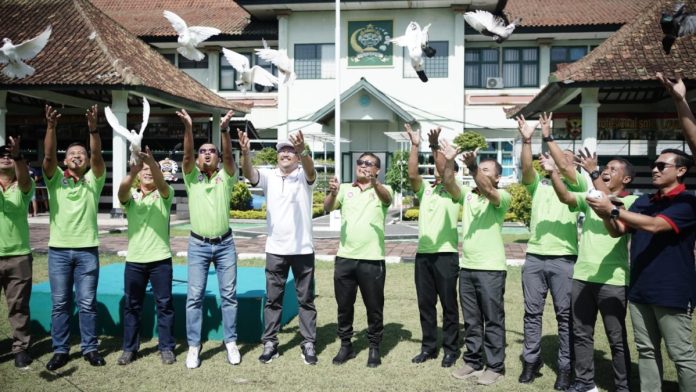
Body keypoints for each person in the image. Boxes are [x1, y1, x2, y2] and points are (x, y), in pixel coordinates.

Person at [588, 72, 696, 391]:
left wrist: (615, 209)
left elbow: (655, 226)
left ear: (681, 171)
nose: (655, 169)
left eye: (663, 166)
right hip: (640, 289)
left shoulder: (688, 202)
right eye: (654, 165)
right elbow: (617, 231)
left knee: (681, 354)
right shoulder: (647, 199)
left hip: (672, 290)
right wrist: (606, 214)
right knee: (647, 352)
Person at [546, 149, 636, 392]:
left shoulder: (630, 202)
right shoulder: (591, 197)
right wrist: (553, 173)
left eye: (613, 169)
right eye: (605, 168)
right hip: (583, 277)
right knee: (582, 335)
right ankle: (585, 384)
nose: (607, 171)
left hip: (613, 280)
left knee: (616, 338)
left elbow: (611, 208)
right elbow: (565, 197)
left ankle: (623, 386)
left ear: (626, 179)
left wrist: (593, 172)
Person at [514, 113, 586, 390]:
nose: (557, 158)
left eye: (564, 157)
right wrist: (527, 140)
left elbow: (567, 172)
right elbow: (526, 169)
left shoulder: (578, 185)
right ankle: (531, 362)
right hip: (534, 258)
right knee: (532, 314)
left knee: (565, 316)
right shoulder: (539, 186)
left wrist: (549, 138)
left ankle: (565, 368)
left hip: (564, 260)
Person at [238, 129, 319, 365]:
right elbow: (249, 173)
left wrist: (303, 150)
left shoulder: (304, 175)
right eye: (282, 150)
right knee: (273, 300)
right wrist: (244, 152)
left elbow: (312, 171)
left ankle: (308, 343)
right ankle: (270, 343)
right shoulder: (268, 176)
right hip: (275, 249)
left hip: (303, 249)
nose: (286, 154)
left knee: (306, 300)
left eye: (290, 150)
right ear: (277, 156)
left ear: (297, 155)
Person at [43, 104, 107, 370]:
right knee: (60, 304)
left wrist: (93, 129)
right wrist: (51, 127)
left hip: (87, 251)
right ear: (65, 160)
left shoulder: (93, 179)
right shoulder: (55, 178)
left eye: (81, 153)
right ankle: (60, 350)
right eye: (72, 154)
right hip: (58, 251)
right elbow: (47, 158)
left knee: (87, 303)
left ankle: (90, 348)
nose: (78, 156)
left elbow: (98, 156)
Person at [442, 141, 511, 386]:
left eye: (486, 170)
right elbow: (449, 183)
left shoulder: (501, 197)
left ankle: (495, 366)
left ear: (498, 177)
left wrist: (473, 168)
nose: (481, 174)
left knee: (492, 319)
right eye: (479, 169)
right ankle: (473, 360)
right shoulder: (469, 197)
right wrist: (450, 160)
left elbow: (488, 191)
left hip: (491, 269)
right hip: (468, 267)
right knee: (471, 320)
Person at [180, 109, 240, 369]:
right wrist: (189, 129)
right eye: (203, 150)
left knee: (229, 295)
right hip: (198, 245)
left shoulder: (225, 177)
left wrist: (225, 131)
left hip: (225, 244)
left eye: (211, 151)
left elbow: (228, 156)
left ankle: (231, 342)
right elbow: (186, 155)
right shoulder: (191, 177)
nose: (207, 153)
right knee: (194, 296)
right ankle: (194, 345)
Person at [323, 153, 393, 368]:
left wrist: (374, 182)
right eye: (360, 163)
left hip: (372, 260)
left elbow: (387, 199)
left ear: (377, 170)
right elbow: (327, 207)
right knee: (344, 306)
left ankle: (374, 348)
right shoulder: (345, 188)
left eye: (369, 164)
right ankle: (346, 346)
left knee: (374, 306)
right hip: (345, 258)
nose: (363, 166)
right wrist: (333, 193)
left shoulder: (383, 189)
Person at [404, 125, 460, 368]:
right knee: (425, 304)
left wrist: (435, 146)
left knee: (448, 304)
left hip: (446, 255)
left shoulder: (454, 191)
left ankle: (450, 349)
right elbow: (413, 173)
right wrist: (416, 145)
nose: (438, 173)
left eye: (445, 169)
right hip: (423, 255)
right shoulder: (427, 189)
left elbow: (443, 170)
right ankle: (429, 347)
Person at [116, 147, 175, 366]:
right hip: (135, 261)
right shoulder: (131, 196)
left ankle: (167, 347)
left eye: (153, 169)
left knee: (165, 305)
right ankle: (129, 348)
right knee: (132, 306)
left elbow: (161, 183)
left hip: (160, 260)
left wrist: (151, 161)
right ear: (139, 174)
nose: (148, 172)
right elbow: (120, 193)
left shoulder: (164, 195)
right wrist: (133, 171)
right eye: (144, 170)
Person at [0, 138, 35, 368]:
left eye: (9, 155)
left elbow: (23, 180)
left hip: (19, 255)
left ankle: (21, 348)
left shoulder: (24, 184)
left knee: (19, 305)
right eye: (1, 155)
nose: (5, 157)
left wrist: (18, 156)